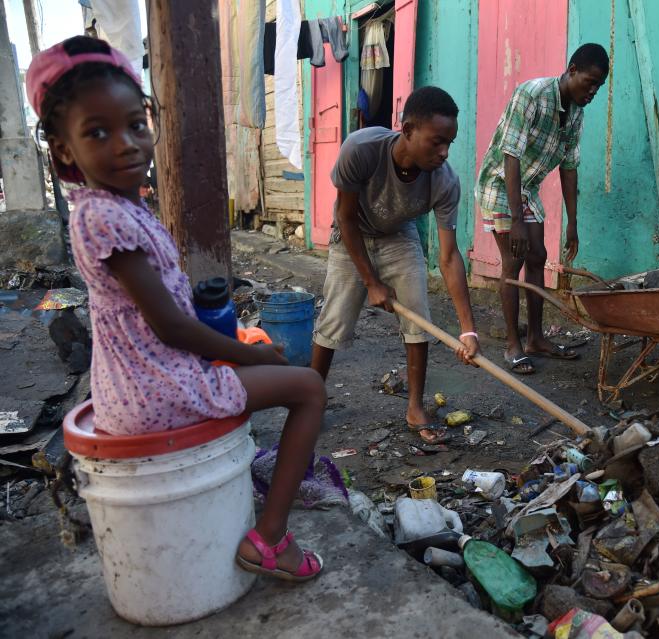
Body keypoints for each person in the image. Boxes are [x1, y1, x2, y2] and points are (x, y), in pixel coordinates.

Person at [28, 36, 326, 583]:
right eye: (98, 132)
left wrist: (235, 347)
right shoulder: (103, 218)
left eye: (135, 124)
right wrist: (250, 357)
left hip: (146, 385)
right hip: (158, 391)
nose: (126, 144)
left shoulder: (112, 206)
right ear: (65, 151)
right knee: (308, 388)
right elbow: (169, 326)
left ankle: (265, 524)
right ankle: (271, 539)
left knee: (269, 368)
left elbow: (159, 313)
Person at [310, 86, 480, 444]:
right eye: (436, 142)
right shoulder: (361, 150)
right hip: (351, 231)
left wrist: (468, 330)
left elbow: (449, 257)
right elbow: (346, 217)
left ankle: (415, 405)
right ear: (407, 130)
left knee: (417, 311)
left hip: (399, 235)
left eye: (449, 142)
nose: (444, 152)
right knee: (334, 319)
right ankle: (311, 399)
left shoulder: (445, 182)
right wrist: (371, 281)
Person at [475, 43, 609, 375]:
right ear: (572, 69)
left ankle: (536, 337)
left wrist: (573, 222)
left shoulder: (577, 112)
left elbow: (569, 167)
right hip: (499, 182)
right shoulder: (532, 94)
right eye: (588, 82)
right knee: (515, 259)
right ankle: (512, 345)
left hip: (526, 189)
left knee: (537, 256)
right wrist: (517, 220)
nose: (592, 91)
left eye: (598, 86)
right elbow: (511, 155)